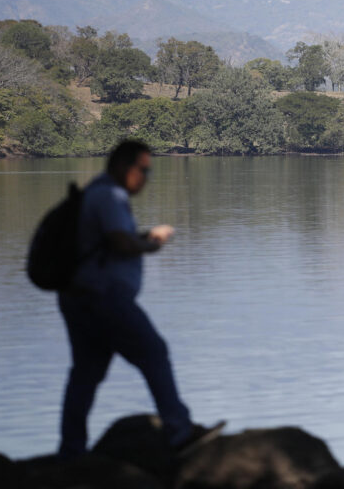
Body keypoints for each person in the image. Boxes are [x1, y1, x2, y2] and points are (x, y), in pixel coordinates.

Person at [57, 139, 223, 457]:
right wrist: (153, 244)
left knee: (86, 373)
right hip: (104, 299)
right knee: (154, 353)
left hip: (78, 297)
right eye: (144, 170)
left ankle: (70, 451)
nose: (147, 177)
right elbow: (121, 243)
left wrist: (143, 238)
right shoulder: (111, 195)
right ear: (124, 167)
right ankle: (180, 432)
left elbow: (109, 242)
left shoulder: (96, 192)